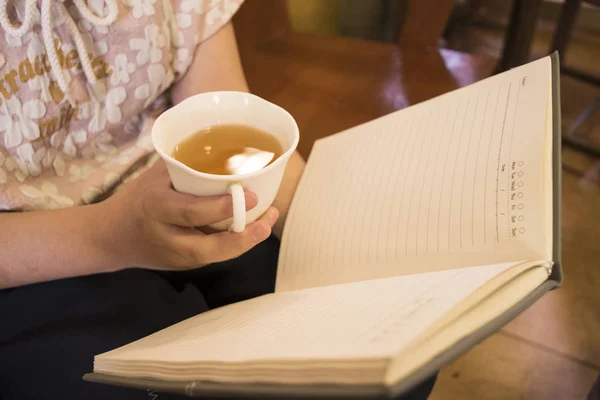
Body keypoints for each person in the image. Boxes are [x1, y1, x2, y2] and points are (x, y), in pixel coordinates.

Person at [0, 1, 437, 399]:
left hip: (198, 196)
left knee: (386, 349)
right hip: (35, 254)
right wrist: (110, 234)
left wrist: (338, 235)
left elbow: (225, 105)